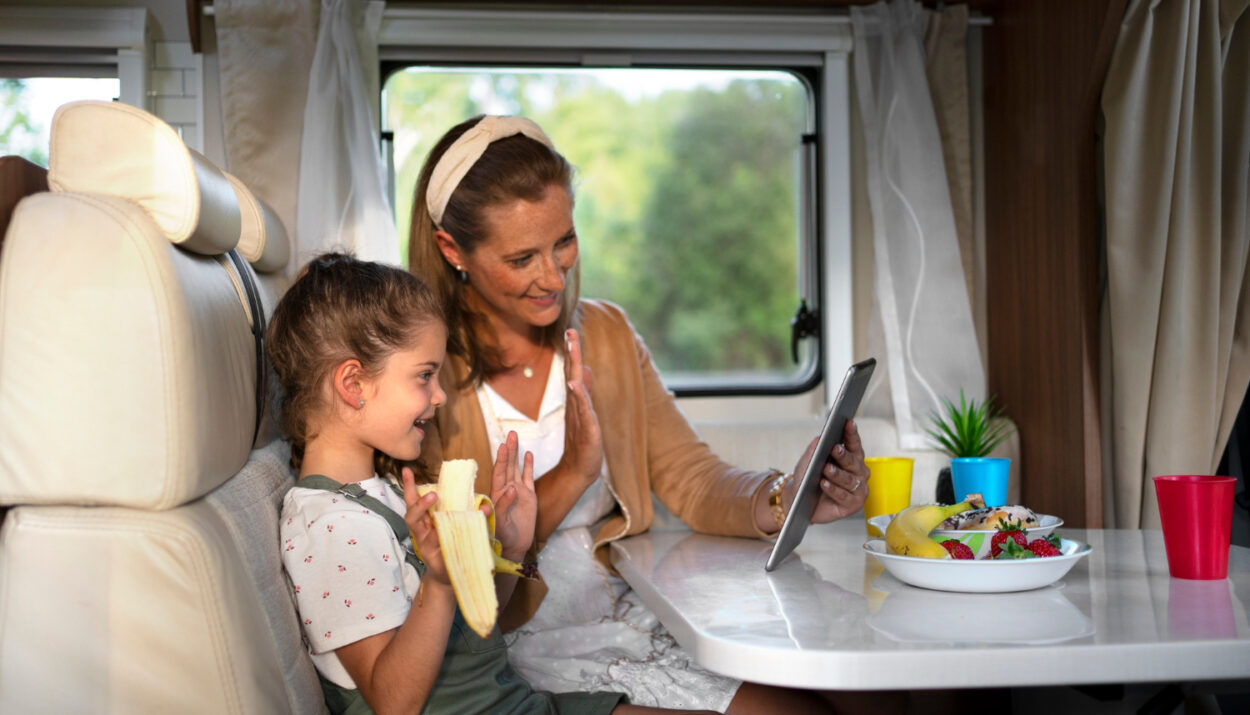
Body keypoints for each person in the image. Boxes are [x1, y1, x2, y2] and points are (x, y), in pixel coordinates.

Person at [406, 115, 878, 714]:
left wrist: (790, 494)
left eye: (564, 241)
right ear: (453, 250)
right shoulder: (425, 376)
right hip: (515, 637)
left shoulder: (605, 333)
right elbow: (462, 569)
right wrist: (574, 472)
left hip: (625, 606)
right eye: (522, 257)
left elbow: (691, 475)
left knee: (876, 696)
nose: (553, 276)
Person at [268, 253, 716, 715]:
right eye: (425, 376)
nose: (439, 396)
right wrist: (438, 585)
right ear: (353, 384)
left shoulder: (383, 491)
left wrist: (511, 548)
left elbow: (478, 634)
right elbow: (393, 702)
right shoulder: (330, 527)